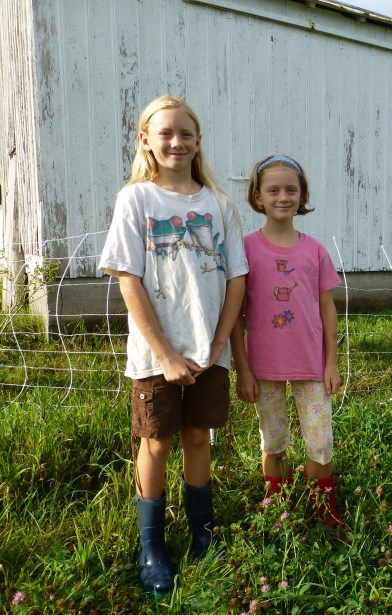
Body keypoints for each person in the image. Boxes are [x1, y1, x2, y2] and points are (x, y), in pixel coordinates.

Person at [99, 95, 248, 595]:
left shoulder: (218, 205)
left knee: (197, 438)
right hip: (154, 354)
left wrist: (221, 340)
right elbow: (128, 281)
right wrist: (164, 354)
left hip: (210, 351)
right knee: (157, 441)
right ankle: (152, 544)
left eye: (186, 133)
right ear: (145, 140)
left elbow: (236, 281)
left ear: (198, 140)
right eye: (165, 133)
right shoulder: (136, 200)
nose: (176, 142)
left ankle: (202, 535)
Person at [230, 153, 342, 527]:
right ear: (258, 197)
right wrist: (242, 369)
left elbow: (328, 310)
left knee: (320, 442)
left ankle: (322, 509)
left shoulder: (315, 251)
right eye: (273, 189)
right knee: (273, 439)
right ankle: (277, 503)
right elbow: (236, 315)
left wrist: (331, 363)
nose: (283, 196)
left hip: (311, 366)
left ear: (302, 195)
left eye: (291, 189)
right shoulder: (245, 249)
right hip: (263, 367)